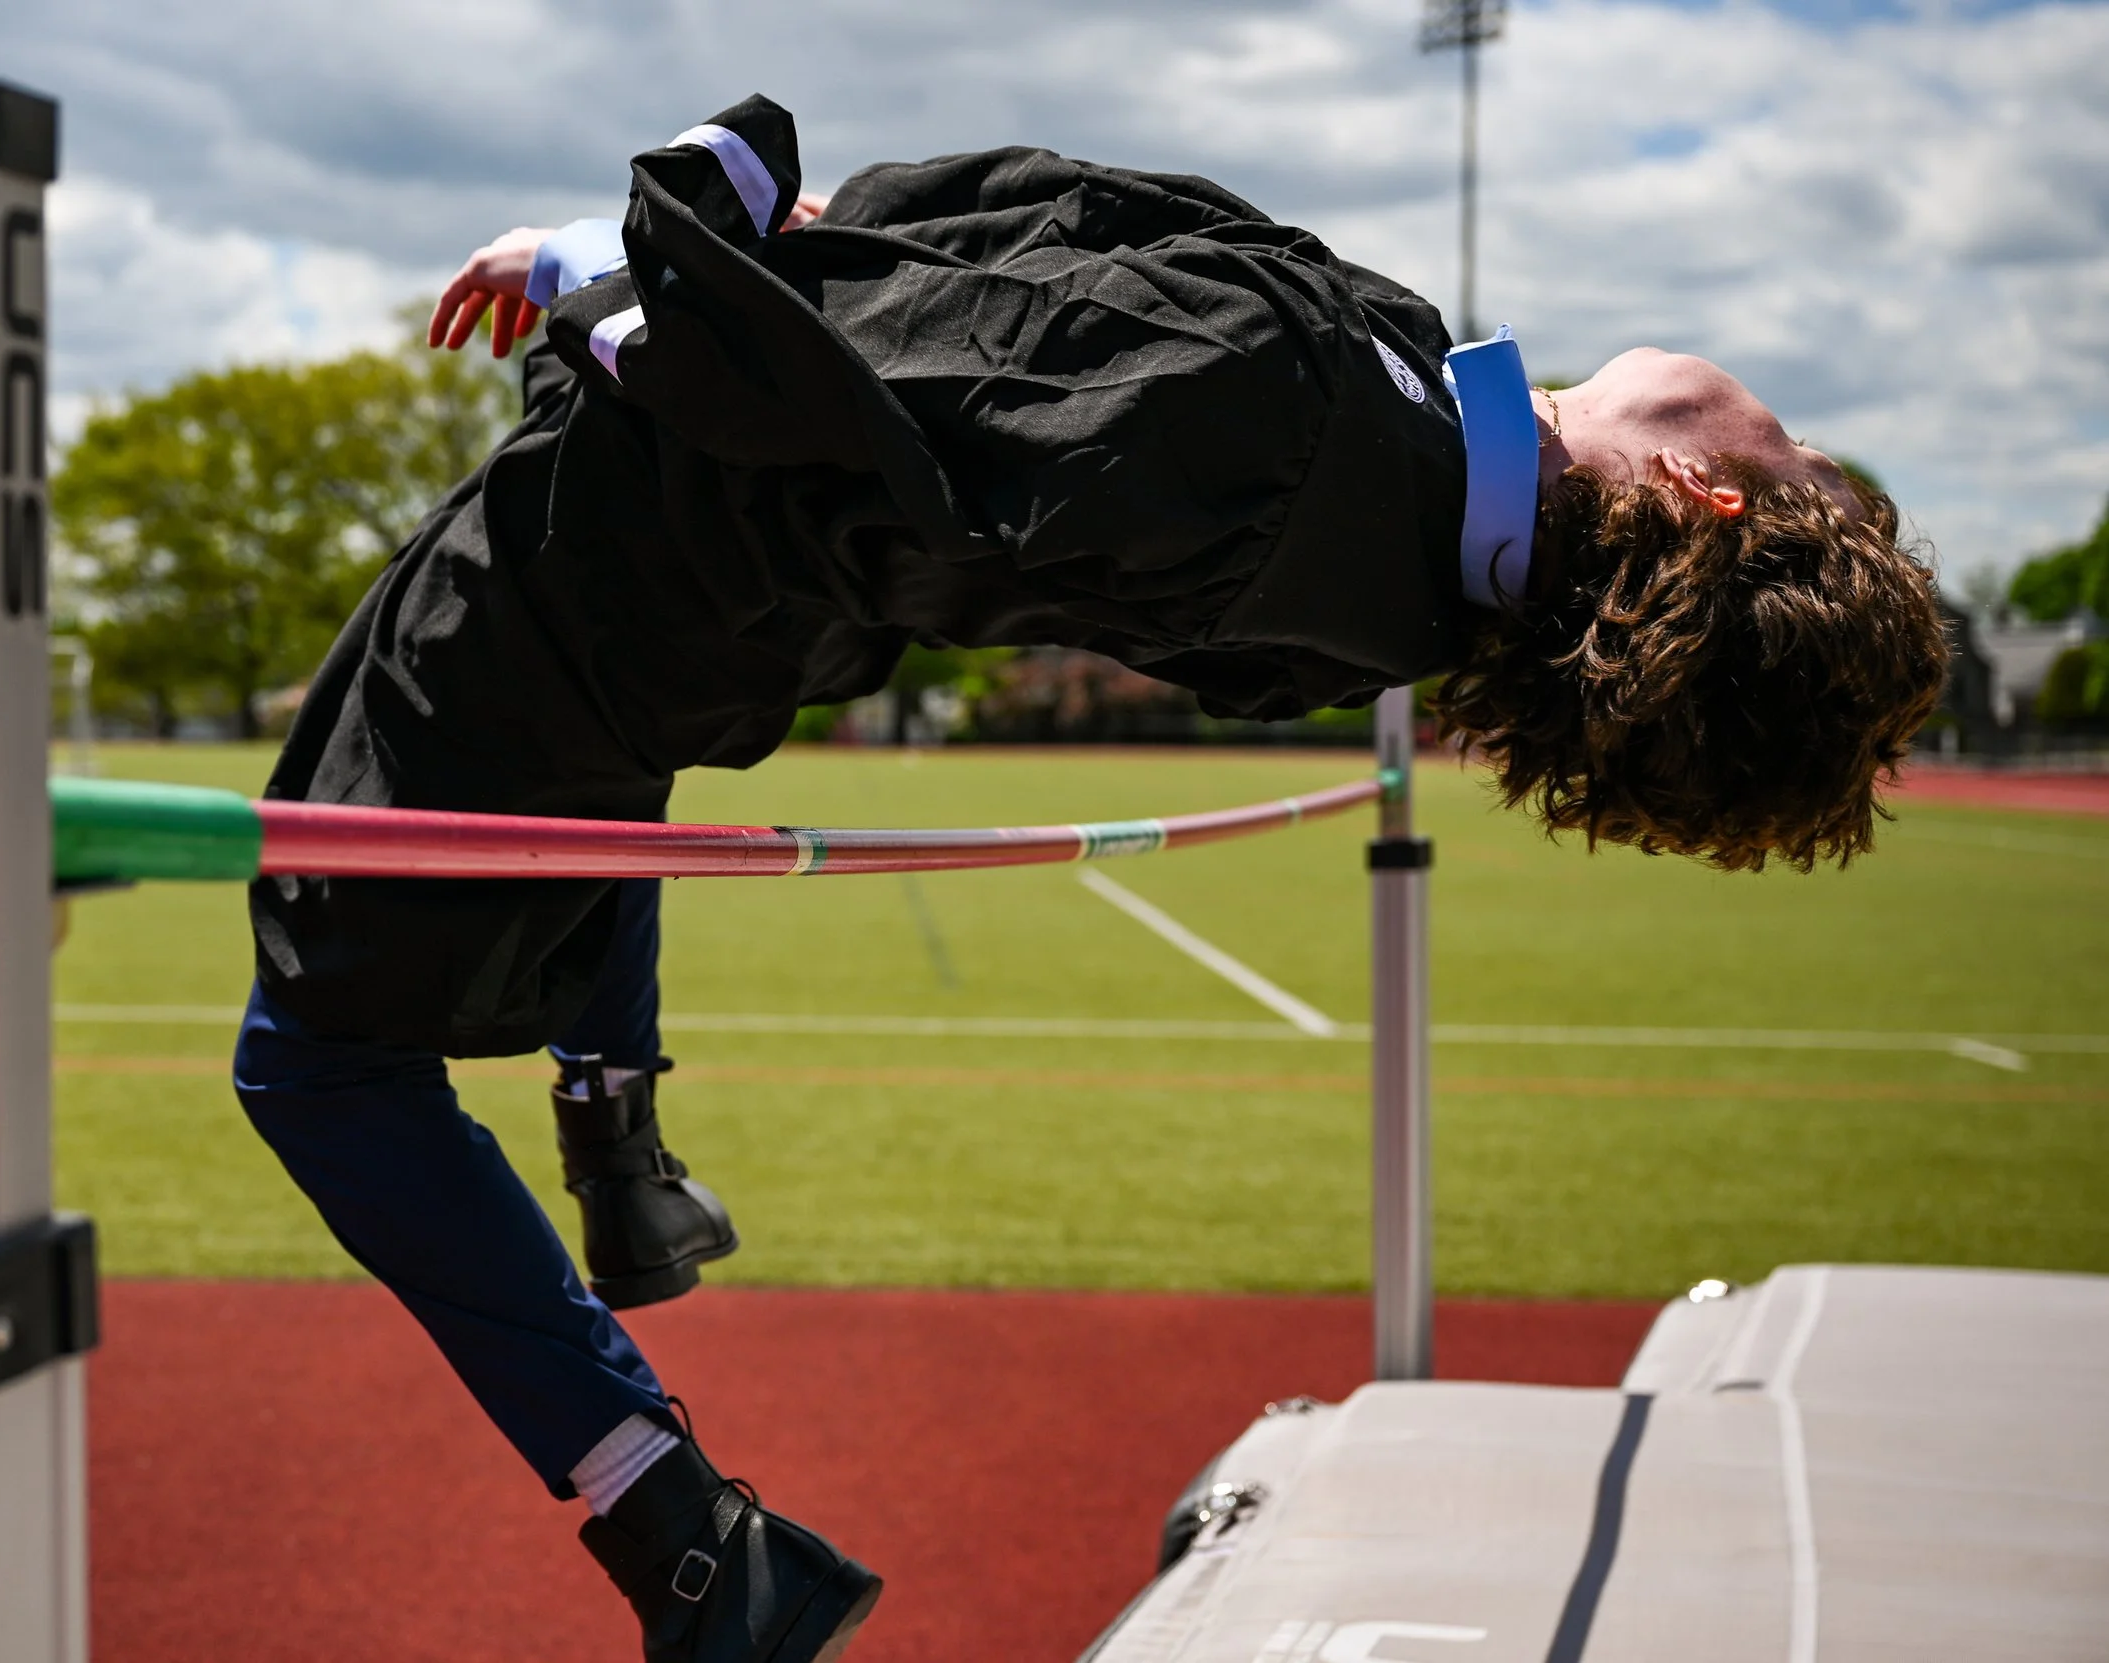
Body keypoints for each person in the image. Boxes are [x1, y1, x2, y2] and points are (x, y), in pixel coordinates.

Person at [233, 96, 1947, 1663]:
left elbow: (862, 365)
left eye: (1793, 441)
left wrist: (671, 214)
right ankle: (619, 1137)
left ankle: (676, 1531)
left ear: (1707, 496)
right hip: (681, 631)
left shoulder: (1297, 419)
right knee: (596, 810)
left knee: (317, 1062)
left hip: (573, 589)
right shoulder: (1400, 538)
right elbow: (976, 288)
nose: (1761, 393)